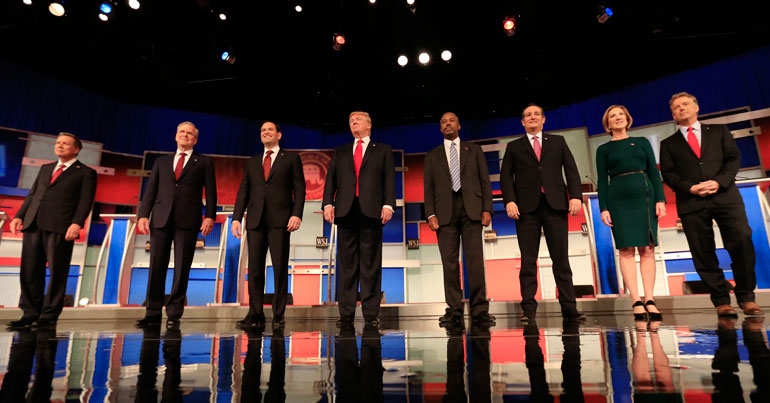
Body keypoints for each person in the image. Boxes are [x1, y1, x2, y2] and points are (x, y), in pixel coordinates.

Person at [660, 92, 763, 318]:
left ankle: (747, 297)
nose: (681, 109)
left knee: (742, 241)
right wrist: (690, 188)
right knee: (702, 252)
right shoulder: (668, 144)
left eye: (685, 104)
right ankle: (720, 301)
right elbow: (668, 174)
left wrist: (719, 182)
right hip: (692, 202)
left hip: (725, 196)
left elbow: (733, 159)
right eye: (676, 107)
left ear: (697, 107)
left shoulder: (718, 131)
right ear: (673, 115)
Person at [500, 104, 586, 322]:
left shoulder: (558, 141)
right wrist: (509, 201)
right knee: (528, 261)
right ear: (522, 121)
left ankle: (569, 308)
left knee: (561, 260)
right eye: (527, 115)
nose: (532, 117)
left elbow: (571, 169)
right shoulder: (513, 146)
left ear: (543, 119)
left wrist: (575, 196)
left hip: (555, 205)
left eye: (536, 114)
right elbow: (505, 177)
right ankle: (528, 309)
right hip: (526, 209)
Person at [7, 132, 97, 330]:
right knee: (30, 271)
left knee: (57, 273)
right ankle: (29, 314)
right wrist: (19, 216)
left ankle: (49, 316)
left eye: (65, 144)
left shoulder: (85, 172)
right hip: (33, 224)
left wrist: (77, 223)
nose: (60, 146)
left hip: (61, 227)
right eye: (58, 143)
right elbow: (33, 195)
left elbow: (85, 202)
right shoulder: (46, 168)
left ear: (76, 149)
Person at [136, 121, 217, 328]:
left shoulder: (204, 162)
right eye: (182, 132)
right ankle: (152, 313)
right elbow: (151, 191)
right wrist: (143, 215)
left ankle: (174, 314)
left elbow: (211, 191)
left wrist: (209, 216)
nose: (185, 135)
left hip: (188, 220)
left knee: (182, 268)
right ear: (176, 136)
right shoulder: (162, 162)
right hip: (161, 219)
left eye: (189, 133)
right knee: (156, 266)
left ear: (195, 139)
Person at [322, 111, 395, 328]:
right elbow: (331, 179)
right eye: (351, 119)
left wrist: (388, 204)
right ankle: (346, 314)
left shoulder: (381, 150)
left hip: (371, 211)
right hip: (345, 211)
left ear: (369, 125)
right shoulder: (341, 151)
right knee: (346, 266)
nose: (353, 121)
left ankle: (371, 315)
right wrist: (327, 203)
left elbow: (389, 179)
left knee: (370, 264)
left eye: (358, 119)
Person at [424, 112, 495, 327]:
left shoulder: (473, 150)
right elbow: (428, 189)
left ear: (459, 125)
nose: (447, 124)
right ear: (440, 128)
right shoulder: (433, 155)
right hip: (444, 213)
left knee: (475, 263)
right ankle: (454, 311)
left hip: (472, 210)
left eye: (451, 120)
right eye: (443, 121)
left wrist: (487, 209)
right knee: (450, 264)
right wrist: (430, 213)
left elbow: (485, 181)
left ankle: (480, 310)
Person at [232, 121, 305, 329]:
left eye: (270, 130)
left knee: (280, 268)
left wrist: (296, 215)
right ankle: (255, 314)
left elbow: (299, 189)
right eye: (262, 130)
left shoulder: (291, 158)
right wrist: (237, 217)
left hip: (280, 221)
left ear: (279, 135)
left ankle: (279, 315)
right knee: (255, 270)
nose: (265, 133)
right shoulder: (253, 162)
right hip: (255, 221)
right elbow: (243, 191)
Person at [596, 105, 666, 321]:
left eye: (621, 115)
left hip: (645, 197)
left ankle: (650, 299)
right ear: (608, 124)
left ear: (628, 119)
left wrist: (661, 200)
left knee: (647, 248)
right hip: (618, 200)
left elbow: (654, 173)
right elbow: (601, 180)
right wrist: (604, 208)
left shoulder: (643, 142)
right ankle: (636, 299)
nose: (617, 118)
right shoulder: (603, 149)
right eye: (612, 116)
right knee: (626, 250)